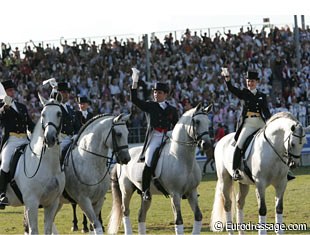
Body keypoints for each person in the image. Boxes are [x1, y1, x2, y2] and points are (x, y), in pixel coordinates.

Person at [130, 68, 179, 201]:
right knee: (149, 160)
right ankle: (145, 190)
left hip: (168, 137)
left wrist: (172, 133)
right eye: (155, 92)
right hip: (154, 138)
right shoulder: (150, 106)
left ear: (165, 95)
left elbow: (177, 126)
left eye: (159, 93)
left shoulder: (172, 110)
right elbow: (134, 99)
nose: (156, 95)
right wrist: (135, 81)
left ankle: (183, 187)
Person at [222, 69, 271, 181]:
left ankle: (284, 170)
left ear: (257, 82)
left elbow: (266, 111)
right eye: (248, 81)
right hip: (248, 123)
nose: (250, 83)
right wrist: (228, 79)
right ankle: (235, 170)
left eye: (252, 81)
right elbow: (231, 89)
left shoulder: (262, 96)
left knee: (273, 140)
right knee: (239, 144)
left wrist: (269, 121)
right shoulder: (244, 93)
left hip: (260, 122)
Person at [0, 79, 35, 208]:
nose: (11, 92)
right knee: (5, 164)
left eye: (12, 90)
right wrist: (4, 107)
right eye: (9, 90)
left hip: (25, 139)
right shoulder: (2, 107)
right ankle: (2, 194)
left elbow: (30, 125)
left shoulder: (21, 107)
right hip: (12, 140)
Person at [57, 82, 79, 155]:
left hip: (72, 139)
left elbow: (77, 126)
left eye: (68, 92)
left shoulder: (70, 110)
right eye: (64, 92)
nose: (67, 95)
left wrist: (76, 135)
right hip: (61, 140)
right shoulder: (56, 108)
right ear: (58, 93)